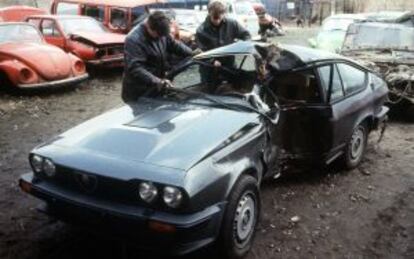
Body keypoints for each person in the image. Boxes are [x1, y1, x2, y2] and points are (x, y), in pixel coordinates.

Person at [122, 11, 193, 103]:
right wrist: (157, 81)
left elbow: (174, 45)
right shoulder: (133, 40)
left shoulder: (161, 31)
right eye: (158, 35)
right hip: (138, 92)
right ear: (149, 27)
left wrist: (193, 53)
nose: (160, 38)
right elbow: (135, 68)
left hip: (156, 87)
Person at [195, 0, 251, 92]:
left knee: (233, 91)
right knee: (210, 94)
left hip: (229, 65)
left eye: (219, 18)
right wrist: (212, 61)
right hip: (209, 70)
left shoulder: (232, 24)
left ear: (224, 14)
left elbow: (246, 35)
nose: (217, 21)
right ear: (209, 13)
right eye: (214, 18)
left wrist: (244, 46)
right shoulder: (201, 30)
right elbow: (200, 52)